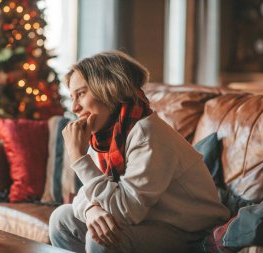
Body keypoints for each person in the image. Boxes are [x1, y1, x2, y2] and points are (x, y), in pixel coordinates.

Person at [49, 50, 230, 253]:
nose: (74, 107)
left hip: (192, 232)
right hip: (150, 221)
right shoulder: (105, 136)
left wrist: (79, 158)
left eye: (81, 94)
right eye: (72, 97)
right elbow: (90, 192)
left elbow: (127, 211)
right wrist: (92, 209)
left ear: (109, 88)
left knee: (102, 239)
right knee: (61, 219)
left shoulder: (147, 134)